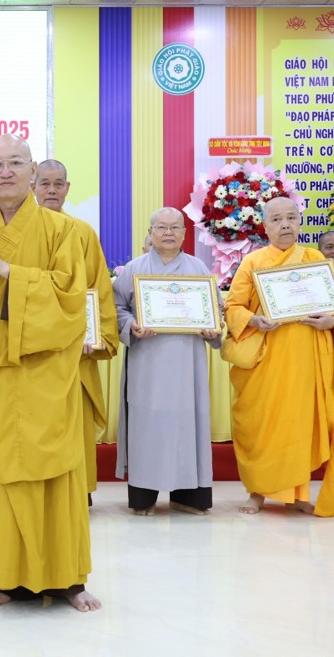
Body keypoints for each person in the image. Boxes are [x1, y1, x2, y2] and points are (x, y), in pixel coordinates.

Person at [0, 134, 99, 612]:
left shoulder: (64, 231)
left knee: (52, 474)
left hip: (45, 374)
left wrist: (7, 270)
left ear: (32, 171)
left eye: (15, 162)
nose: (5, 171)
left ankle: (66, 579)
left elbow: (71, 302)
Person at [224, 197, 334, 516]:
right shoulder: (253, 262)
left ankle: (297, 494)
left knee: (299, 425)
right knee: (262, 425)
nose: (285, 225)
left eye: (291, 218)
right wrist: (254, 320)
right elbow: (233, 307)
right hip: (266, 361)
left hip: (306, 360)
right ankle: (257, 492)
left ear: (299, 223)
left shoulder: (315, 258)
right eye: (277, 219)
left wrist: (330, 322)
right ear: (265, 226)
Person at [112, 207, 219, 516]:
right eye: (161, 227)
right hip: (148, 362)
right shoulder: (135, 268)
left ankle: (188, 497)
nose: (168, 233)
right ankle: (144, 496)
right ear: (150, 232)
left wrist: (213, 327)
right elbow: (116, 307)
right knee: (147, 424)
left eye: (175, 227)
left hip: (188, 362)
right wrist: (131, 324)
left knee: (188, 422)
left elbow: (215, 309)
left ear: (185, 233)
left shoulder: (198, 267)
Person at [33, 159, 118, 503]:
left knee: (74, 419)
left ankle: (78, 489)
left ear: (67, 189)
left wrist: (95, 336)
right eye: (45, 184)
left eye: (58, 184)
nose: (51, 190)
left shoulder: (82, 232)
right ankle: (37, 489)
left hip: (75, 349)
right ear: (32, 187)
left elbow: (98, 288)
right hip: (33, 347)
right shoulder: (22, 232)